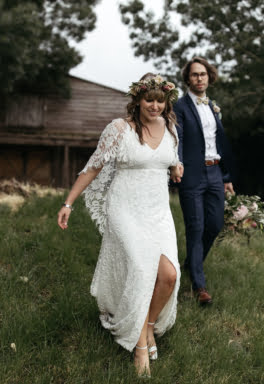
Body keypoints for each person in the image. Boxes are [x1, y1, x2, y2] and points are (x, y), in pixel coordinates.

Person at [57, 73, 184, 378]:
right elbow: (93, 167)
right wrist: (68, 203)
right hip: (125, 209)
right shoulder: (119, 129)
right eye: (149, 99)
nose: (154, 106)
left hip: (158, 212)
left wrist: (176, 167)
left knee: (169, 276)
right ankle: (139, 346)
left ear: (166, 102)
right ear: (137, 100)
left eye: (159, 101)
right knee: (140, 271)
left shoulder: (170, 129)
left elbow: (170, 160)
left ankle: (148, 325)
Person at [173, 57, 235, 306]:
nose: (199, 78)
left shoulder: (213, 106)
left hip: (215, 173)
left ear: (209, 77)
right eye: (194, 74)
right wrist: (177, 163)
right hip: (192, 175)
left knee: (215, 224)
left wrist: (226, 177)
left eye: (203, 74)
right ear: (188, 79)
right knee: (196, 227)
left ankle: (191, 263)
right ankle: (199, 285)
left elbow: (220, 142)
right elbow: (178, 137)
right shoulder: (180, 106)